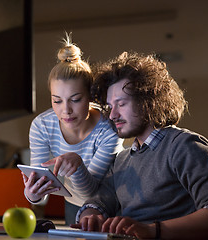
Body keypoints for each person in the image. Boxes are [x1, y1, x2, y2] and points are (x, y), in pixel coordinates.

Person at [71, 51, 208, 239]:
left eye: (121, 104)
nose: (112, 115)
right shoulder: (122, 159)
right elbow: (98, 203)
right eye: (110, 107)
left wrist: (152, 230)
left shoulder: (184, 146)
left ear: (148, 102)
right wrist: (91, 216)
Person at [21, 35, 123, 225]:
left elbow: (91, 193)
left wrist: (77, 168)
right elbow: (41, 192)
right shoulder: (42, 125)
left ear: (91, 96)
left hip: (111, 204)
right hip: (73, 203)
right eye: (57, 101)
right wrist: (32, 194)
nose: (65, 110)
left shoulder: (109, 129)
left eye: (75, 99)